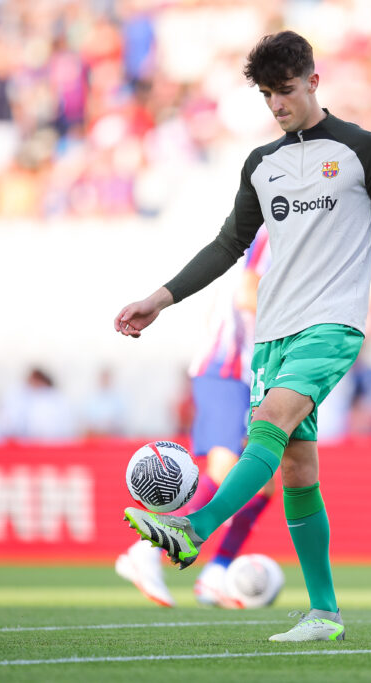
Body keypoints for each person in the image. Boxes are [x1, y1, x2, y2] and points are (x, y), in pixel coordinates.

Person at [114, 31, 371, 643]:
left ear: (314, 82)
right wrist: (159, 299)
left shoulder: (362, 150)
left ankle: (193, 529)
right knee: (297, 470)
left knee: (267, 424)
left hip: (332, 327)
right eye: (268, 94)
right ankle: (324, 613)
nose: (277, 104)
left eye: (287, 90)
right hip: (271, 336)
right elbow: (227, 247)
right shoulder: (261, 165)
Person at [116, 229, 274, 609]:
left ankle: (215, 574)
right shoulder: (276, 227)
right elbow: (246, 293)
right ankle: (146, 550)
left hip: (245, 370)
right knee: (226, 469)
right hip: (229, 367)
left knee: (265, 483)